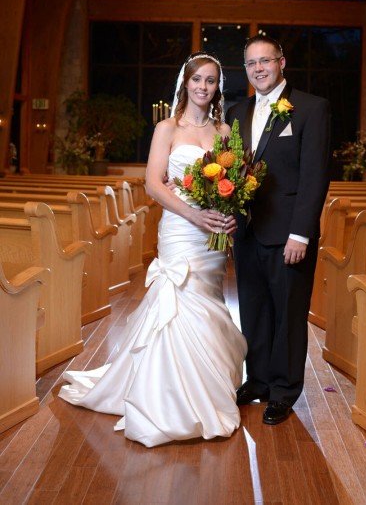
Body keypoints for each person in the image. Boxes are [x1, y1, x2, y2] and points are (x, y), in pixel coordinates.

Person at [59, 52, 247, 448]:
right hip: (181, 229)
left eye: (211, 81)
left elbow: (234, 186)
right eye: (197, 80)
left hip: (213, 235)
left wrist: (229, 216)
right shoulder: (167, 128)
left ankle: (206, 385)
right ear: (186, 83)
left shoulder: (226, 132)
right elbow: (154, 185)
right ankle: (168, 400)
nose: (203, 87)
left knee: (207, 301)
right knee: (177, 303)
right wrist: (195, 216)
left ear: (218, 88)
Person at [226, 35, 331, 425]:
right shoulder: (238, 112)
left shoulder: (310, 108)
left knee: (288, 314)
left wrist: (301, 233)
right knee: (254, 311)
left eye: (265, 61)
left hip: (289, 234)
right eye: (251, 63)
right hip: (248, 233)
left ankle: (284, 392)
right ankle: (259, 380)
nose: (258, 69)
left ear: (281, 62)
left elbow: (315, 176)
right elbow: (234, 172)